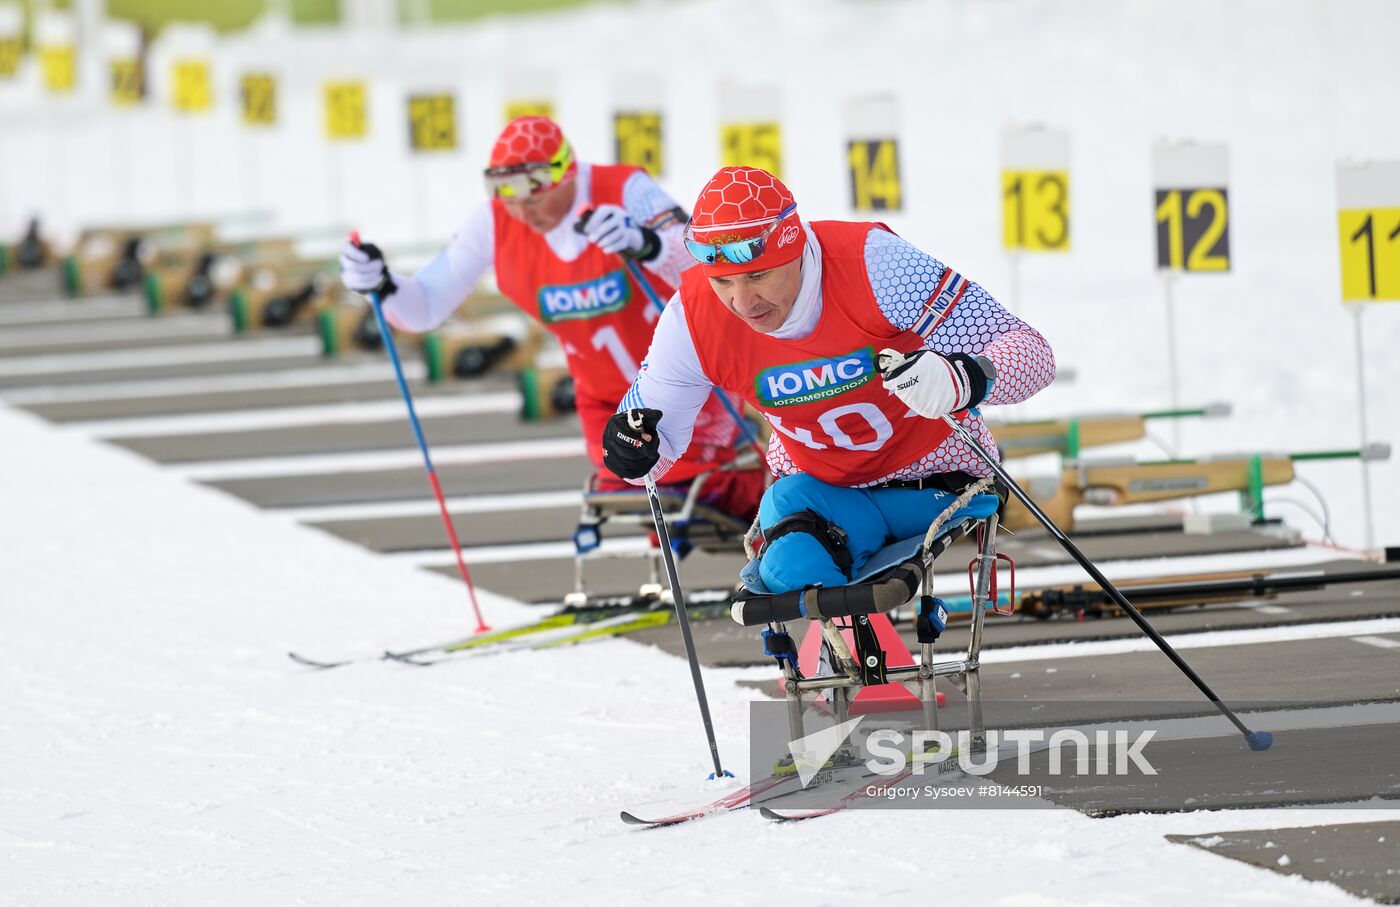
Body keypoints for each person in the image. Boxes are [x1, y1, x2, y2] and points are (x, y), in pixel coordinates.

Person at [601, 166, 1055, 593]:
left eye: (757, 275)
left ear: (795, 247)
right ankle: (858, 663)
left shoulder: (875, 265)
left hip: (937, 481)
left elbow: (1032, 352)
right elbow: (652, 438)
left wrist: (963, 378)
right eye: (724, 282)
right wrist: (631, 445)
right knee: (791, 575)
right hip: (822, 495)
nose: (742, 301)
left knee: (841, 582)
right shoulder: (691, 316)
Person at [339, 116, 762, 518]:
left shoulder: (624, 188)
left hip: (685, 383)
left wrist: (647, 242)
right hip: (602, 398)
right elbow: (426, 306)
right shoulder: (493, 221)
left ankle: (779, 526)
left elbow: (706, 264)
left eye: (535, 197)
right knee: (630, 494)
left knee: (699, 490)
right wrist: (381, 284)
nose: (523, 213)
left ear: (567, 172)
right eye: (510, 199)